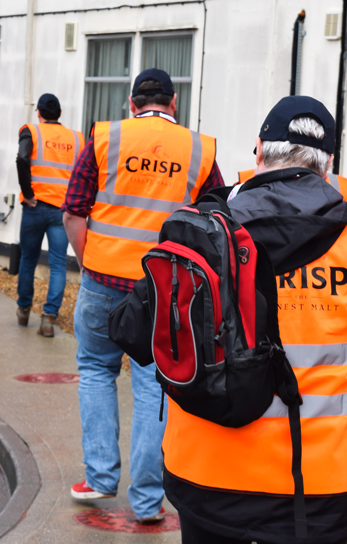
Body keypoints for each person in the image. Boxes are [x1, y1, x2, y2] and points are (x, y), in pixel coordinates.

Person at [163, 96, 347, 544]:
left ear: (258, 151)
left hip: (210, 469)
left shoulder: (202, 230)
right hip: (318, 481)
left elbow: (142, 333)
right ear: (328, 164)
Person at [62, 68, 225, 523]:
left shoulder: (103, 137)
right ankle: (148, 501)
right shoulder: (199, 149)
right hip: (165, 290)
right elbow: (216, 222)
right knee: (154, 385)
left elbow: (74, 211)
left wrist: (90, 259)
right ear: (174, 103)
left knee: (95, 370)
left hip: (103, 280)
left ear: (132, 104)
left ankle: (98, 479)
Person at [15, 93, 84, 337]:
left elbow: (22, 159)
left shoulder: (31, 131)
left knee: (28, 260)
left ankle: (24, 310)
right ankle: (48, 317)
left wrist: (27, 192)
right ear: (60, 114)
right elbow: (84, 173)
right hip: (62, 210)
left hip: (35, 206)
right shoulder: (77, 138)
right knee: (57, 264)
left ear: (39, 113)